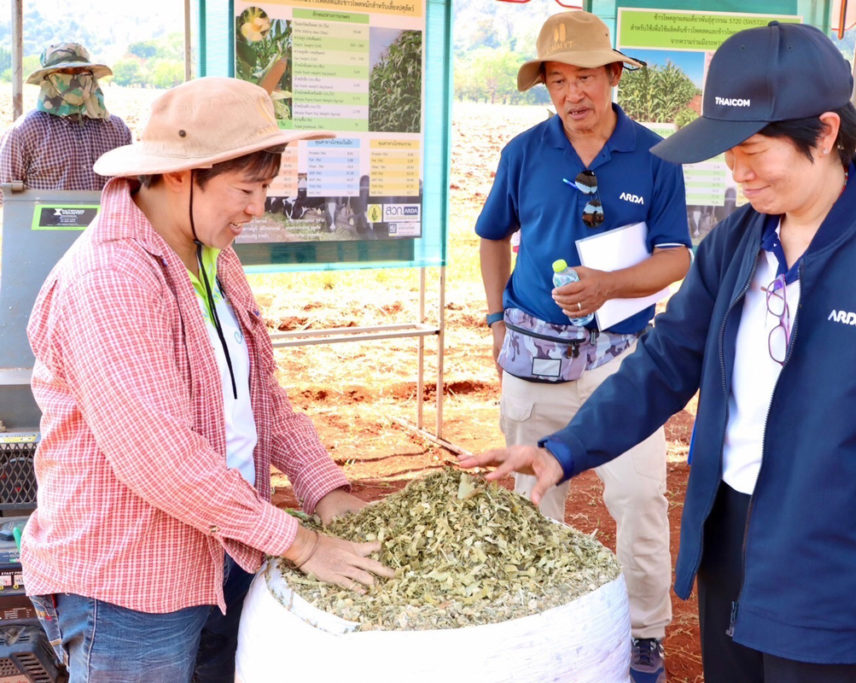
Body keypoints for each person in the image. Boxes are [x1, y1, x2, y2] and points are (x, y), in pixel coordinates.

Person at [463, 21, 856, 683]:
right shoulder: (741, 240)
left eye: (752, 150)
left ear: (824, 134)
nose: (736, 172)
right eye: (726, 153)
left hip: (832, 566)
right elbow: (665, 360)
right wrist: (564, 449)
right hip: (729, 541)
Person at [22, 76, 393, 682]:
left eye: (265, 188)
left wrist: (322, 486)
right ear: (179, 174)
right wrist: (301, 544)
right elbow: (160, 459)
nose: (257, 208)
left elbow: (260, 394)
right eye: (246, 189)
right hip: (133, 585)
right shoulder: (111, 280)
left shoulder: (212, 254)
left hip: (228, 547)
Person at [474, 11, 691, 683]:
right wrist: (495, 318)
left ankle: (644, 632)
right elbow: (491, 236)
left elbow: (677, 256)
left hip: (624, 365)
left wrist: (610, 287)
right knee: (529, 497)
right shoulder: (525, 153)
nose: (574, 94)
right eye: (558, 80)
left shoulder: (656, 157)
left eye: (587, 77)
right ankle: (529, 622)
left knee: (639, 499)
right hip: (531, 359)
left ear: (615, 76)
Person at [0, 42, 132, 192]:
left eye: (80, 71)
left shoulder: (116, 130)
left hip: (104, 216)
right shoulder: (25, 131)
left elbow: (130, 186)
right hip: (45, 216)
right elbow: (6, 193)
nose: (74, 78)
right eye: (64, 72)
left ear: (91, 76)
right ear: (48, 79)